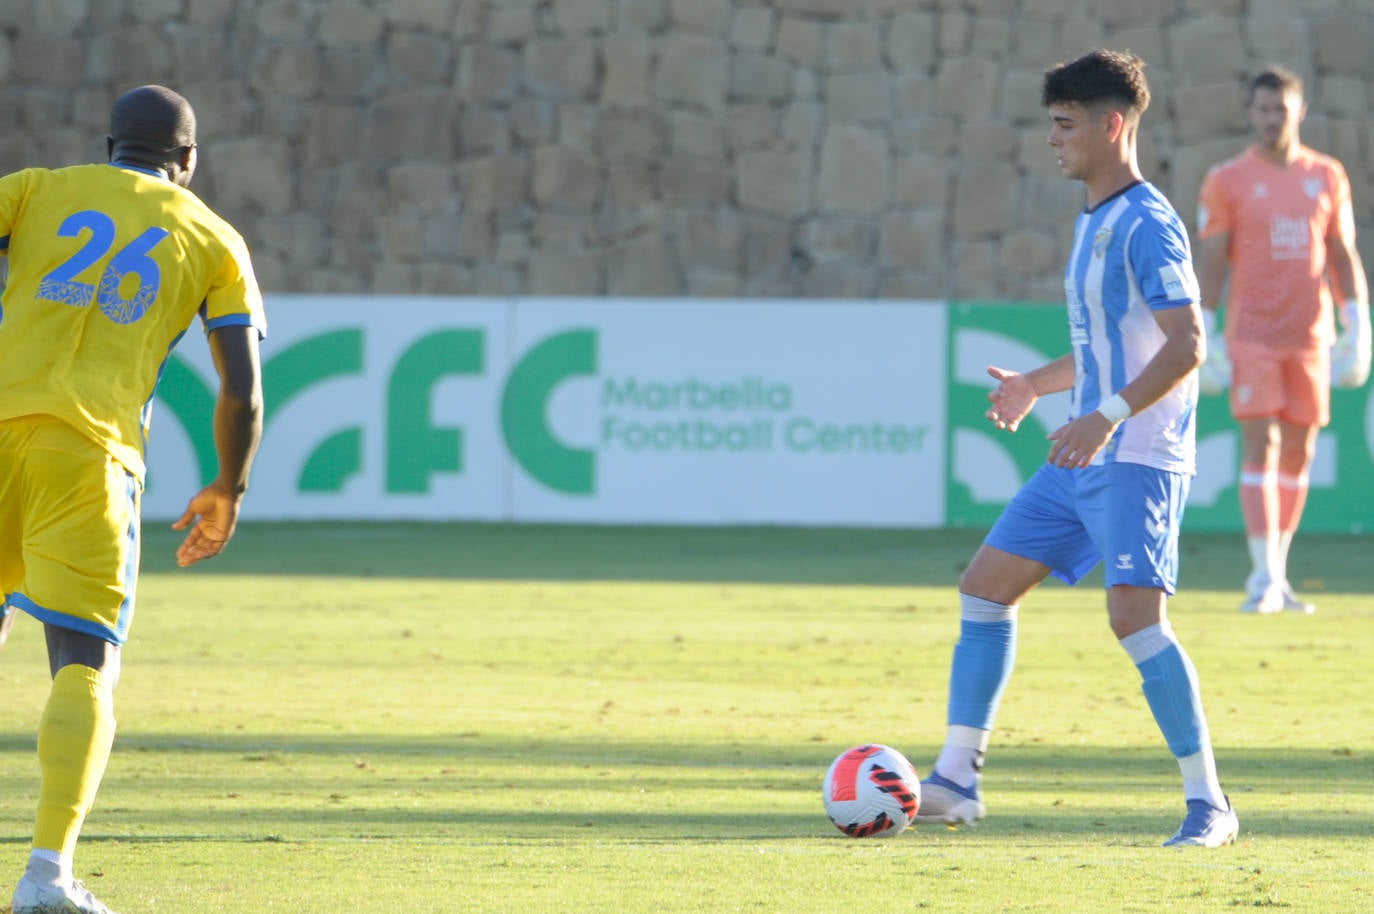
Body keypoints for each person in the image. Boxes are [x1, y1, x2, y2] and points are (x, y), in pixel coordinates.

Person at [913, 50, 1238, 848]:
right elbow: (1105, 347)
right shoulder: (1093, 218)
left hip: (1138, 454)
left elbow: (1190, 342)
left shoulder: (1149, 222)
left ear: (1111, 125)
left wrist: (1108, 416)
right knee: (985, 589)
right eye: (1051, 125)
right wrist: (1036, 384)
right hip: (1083, 452)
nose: (1052, 140)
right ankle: (955, 780)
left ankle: (1210, 807)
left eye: (1065, 126)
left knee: (1134, 619)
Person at [0, 85, 265, 914]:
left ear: (108, 143)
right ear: (187, 161)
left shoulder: (38, 188)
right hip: (90, 456)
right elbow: (243, 389)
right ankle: (46, 877)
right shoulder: (215, 239)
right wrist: (229, 484)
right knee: (83, 661)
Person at [1195, 65, 1370, 615]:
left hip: (1310, 337)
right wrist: (1206, 331)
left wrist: (1357, 323)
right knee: (1261, 443)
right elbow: (1213, 261)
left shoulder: (1327, 175)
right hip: (1252, 336)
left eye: (1281, 109)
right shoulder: (1227, 179)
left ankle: (1280, 573)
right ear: (1251, 114)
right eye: (1263, 109)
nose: (1272, 119)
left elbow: (1341, 254)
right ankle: (1261, 576)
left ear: (1299, 111)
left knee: (1300, 450)